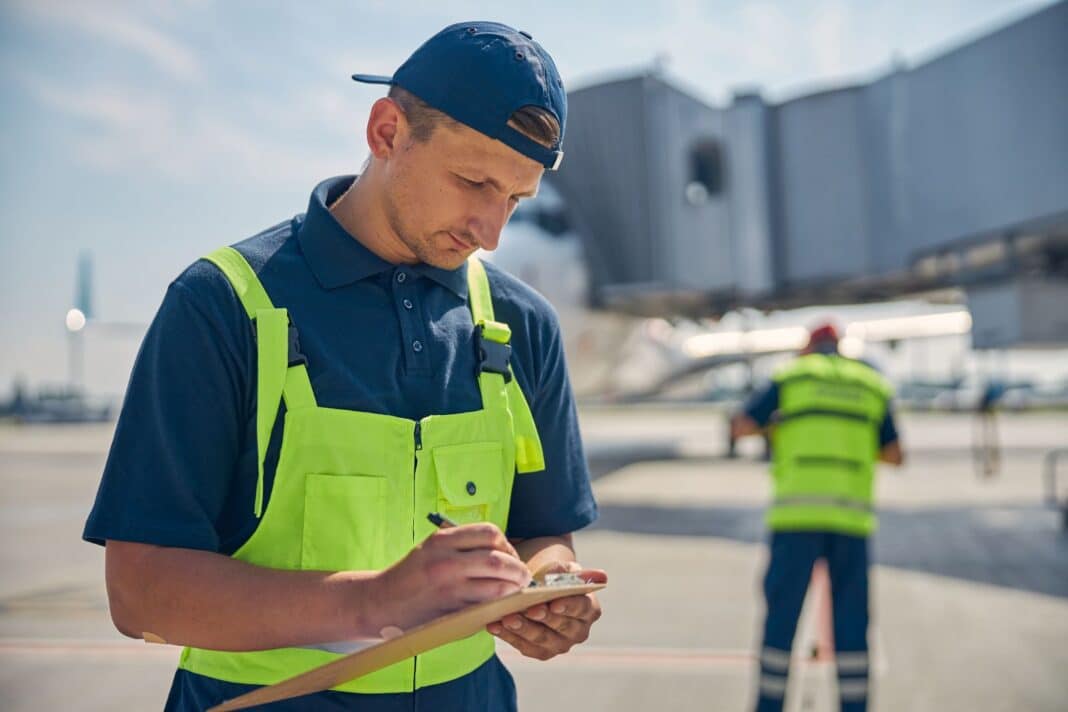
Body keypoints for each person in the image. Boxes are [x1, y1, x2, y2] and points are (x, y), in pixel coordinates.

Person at [83, 21, 605, 711]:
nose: (492, 230)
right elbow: (141, 593)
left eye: (514, 198)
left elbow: (544, 531)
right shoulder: (223, 304)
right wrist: (376, 601)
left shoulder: (522, 326)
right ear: (386, 131)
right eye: (473, 180)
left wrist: (548, 585)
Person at [730, 323, 904, 712]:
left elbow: (740, 426)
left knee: (782, 621)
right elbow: (895, 454)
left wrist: (779, 429)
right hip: (851, 522)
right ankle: (856, 706)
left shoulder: (792, 376)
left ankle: (769, 706)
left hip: (796, 519)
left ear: (808, 347)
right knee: (852, 625)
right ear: (841, 347)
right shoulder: (870, 384)